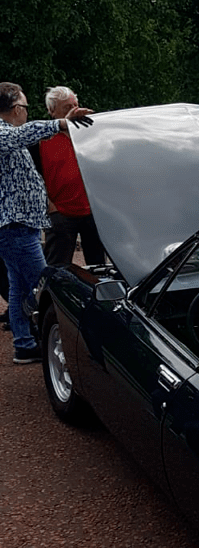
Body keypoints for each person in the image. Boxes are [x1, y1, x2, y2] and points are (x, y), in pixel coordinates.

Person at [0, 82, 91, 363]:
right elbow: (24, 134)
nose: (27, 113)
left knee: (20, 289)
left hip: (20, 226)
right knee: (48, 286)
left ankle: (25, 345)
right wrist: (61, 124)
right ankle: (59, 344)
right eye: (26, 107)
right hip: (15, 228)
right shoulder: (5, 133)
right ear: (16, 109)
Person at [39, 86, 105, 266]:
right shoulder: (42, 138)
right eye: (67, 108)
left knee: (98, 266)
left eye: (75, 105)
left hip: (92, 211)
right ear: (52, 112)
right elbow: (33, 176)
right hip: (60, 213)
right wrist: (48, 205)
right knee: (57, 267)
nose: (75, 111)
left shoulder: (90, 134)